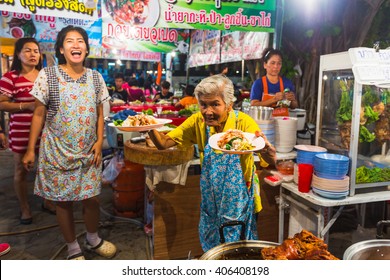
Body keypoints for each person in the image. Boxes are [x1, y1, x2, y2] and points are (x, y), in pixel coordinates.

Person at [147, 74, 276, 252]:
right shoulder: (197, 122)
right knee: (214, 253)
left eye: (215, 104)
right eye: (203, 104)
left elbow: (267, 160)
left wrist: (269, 154)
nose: (208, 111)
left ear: (229, 105)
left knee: (238, 254)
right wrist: (148, 126)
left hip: (240, 203)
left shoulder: (243, 123)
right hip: (211, 205)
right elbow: (163, 144)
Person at [22, 26, 116, 260]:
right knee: (62, 202)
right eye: (70, 41)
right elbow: (38, 114)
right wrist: (30, 150)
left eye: (81, 41)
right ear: (61, 49)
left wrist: (98, 141)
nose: (76, 45)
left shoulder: (95, 77)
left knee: (92, 197)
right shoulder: (48, 75)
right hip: (56, 150)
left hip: (88, 151)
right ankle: (73, 247)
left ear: (86, 48)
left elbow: (100, 112)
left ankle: (92, 239)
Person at [0, 38, 56, 225]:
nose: (33, 54)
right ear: (18, 54)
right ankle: (24, 208)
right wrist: (27, 106)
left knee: (46, 168)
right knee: (20, 169)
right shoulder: (11, 78)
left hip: (46, 130)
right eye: (27, 50)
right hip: (21, 131)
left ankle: (47, 201)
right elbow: (2, 103)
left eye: (36, 51)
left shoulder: (46, 76)